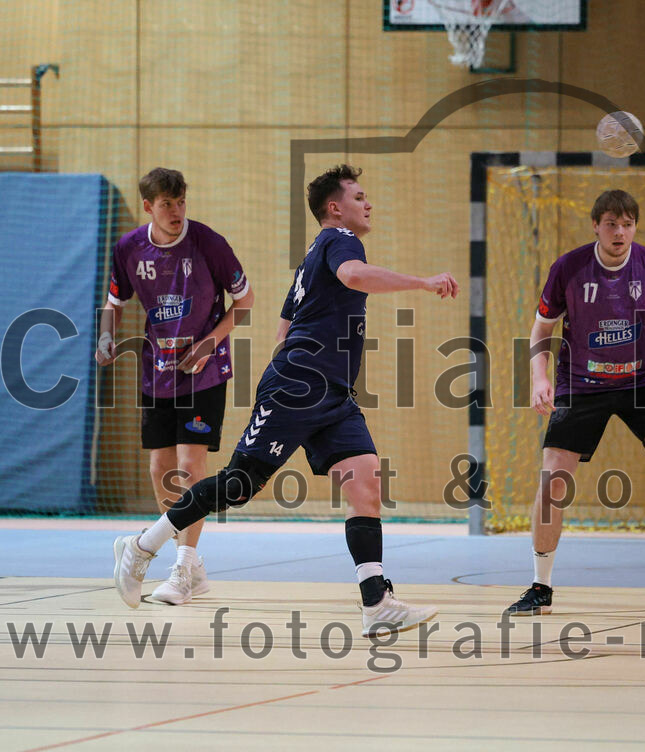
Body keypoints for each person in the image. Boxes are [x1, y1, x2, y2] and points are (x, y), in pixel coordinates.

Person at [112, 164, 458, 637]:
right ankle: (142, 547)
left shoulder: (311, 259)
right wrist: (422, 282)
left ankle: (376, 603)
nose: (368, 204)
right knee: (239, 484)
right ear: (335, 208)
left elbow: (282, 330)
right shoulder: (340, 240)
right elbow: (354, 276)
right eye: (359, 197)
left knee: (365, 485)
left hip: (331, 394)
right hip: (300, 387)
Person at [505, 189, 645, 616]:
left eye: (627, 225)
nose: (619, 233)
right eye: (611, 224)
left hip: (642, 381)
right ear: (596, 225)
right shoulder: (569, 268)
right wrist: (539, 378)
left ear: (635, 228)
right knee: (553, 482)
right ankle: (540, 587)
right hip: (581, 383)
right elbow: (541, 330)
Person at [96, 167, 254, 605]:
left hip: (204, 369)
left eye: (181, 201)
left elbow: (245, 301)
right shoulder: (129, 248)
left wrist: (208, 344)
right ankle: (192, 566)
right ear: (149, 206)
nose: (177, 211)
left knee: (189, 465)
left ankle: (183, 565)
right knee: (159, 469)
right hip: (157, 370)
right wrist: (106, 336)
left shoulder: (209, 243)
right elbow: (114, 303)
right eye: (167, 204)